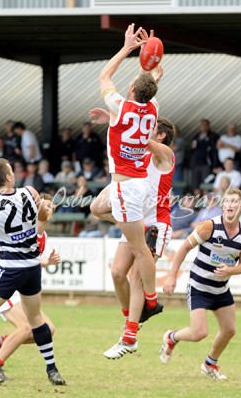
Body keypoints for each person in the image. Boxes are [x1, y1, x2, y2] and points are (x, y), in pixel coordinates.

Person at [90, 107, 175, 358]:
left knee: (137, 278)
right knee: (117, 273)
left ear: (160, 136)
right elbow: (101, 204)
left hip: (156, 224)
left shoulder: (165, 155)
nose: (145, 128)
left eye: (151, 128)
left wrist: (118, 122)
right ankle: (132, 321)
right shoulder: (136, 159)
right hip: (135, 221)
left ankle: (129, 337)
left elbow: (136, 137)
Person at [0, 158, 65, 386]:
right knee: (37, 320)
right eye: (12, 170)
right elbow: (43, 217)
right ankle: (52, 370)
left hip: (10, 268)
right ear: (9, 177)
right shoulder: (30, 191)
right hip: (32, 268)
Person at [99, 23, 160, 317]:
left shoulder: (121, 108)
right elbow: (149, 87)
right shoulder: (153, 109)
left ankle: (149, 301)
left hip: (125, 186)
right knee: (101, 213)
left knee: (139, 248)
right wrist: (151, 61)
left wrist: (128, 47)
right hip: (139, 182)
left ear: (132, 89)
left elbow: (104, 75)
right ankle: (146, 301)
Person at [160, 188, 241, 380]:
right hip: (199, 287)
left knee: (229, 330)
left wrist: (230, 270)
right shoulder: (209, 227)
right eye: (227, 201)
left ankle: (210, 364)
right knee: (199, 333)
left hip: (221, 289)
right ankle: (171, 337)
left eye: (235, 202)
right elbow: (183, 248)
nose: (230, 205)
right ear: (223, 205)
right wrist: (172, 276)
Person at [0, 193, 60, 367]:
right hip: (8, 285)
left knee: (49, 330)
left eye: (51, 207)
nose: (48, 208)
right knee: (24, 328)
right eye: (44, 204)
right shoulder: (25, 227)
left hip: (22, 289)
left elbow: (29, 263)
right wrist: (45, 262)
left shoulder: (43, 236)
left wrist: (45, 263)